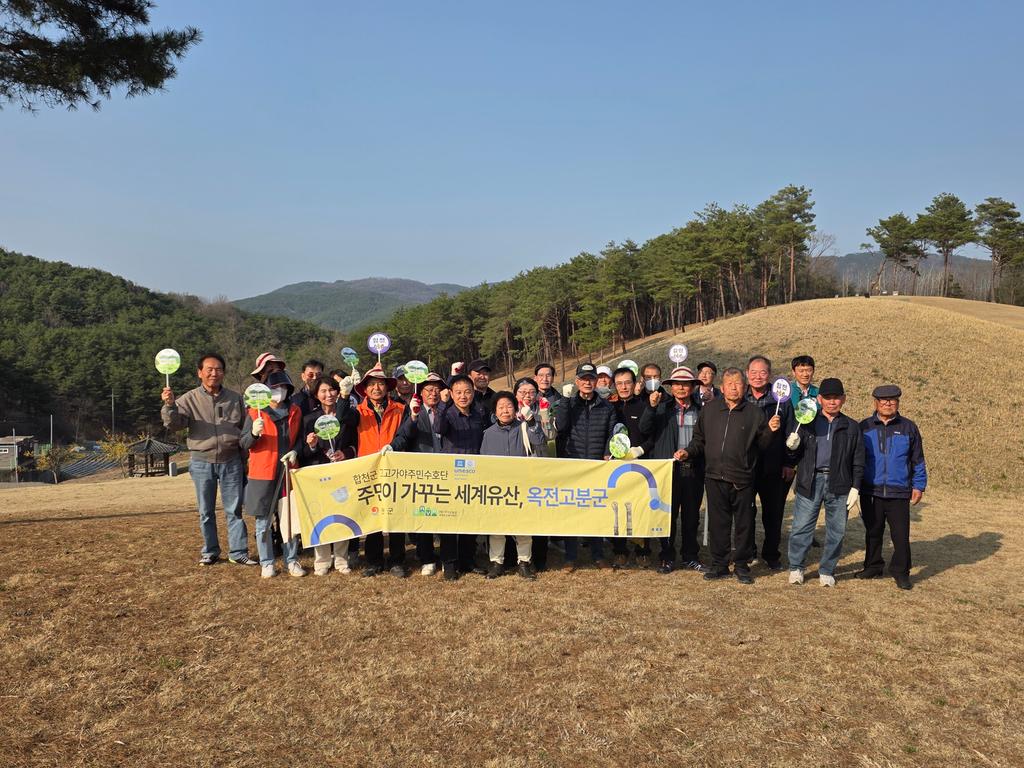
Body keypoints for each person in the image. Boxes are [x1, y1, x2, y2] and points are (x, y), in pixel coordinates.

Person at [679, 367, 780, 585]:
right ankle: (719, 564)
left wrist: (771, 431)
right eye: (729, 384)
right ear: (722, 388)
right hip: (714, 476)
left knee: (744, 524)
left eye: (738, 383)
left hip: (742, 478)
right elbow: (699, 440)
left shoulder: (754, 413)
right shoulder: (710, 410)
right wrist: (688, 452)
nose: (734, 387)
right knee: (718, 524)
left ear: (745, 387)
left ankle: (742, 565)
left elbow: (762, 445)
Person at [161, 352, 255, 567]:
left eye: (218, 369)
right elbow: (174, 424)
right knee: (206, 511)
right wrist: (170, 406)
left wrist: (245, 459)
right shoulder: (189, 398)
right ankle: (211, 551)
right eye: (209, 369)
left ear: (224, 373)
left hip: (231, 460)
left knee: (234, 510)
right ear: (200, 373)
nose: (214, 373)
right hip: (201, 461)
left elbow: (244, 430)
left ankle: (238, 552)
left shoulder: (235, 398)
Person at [785, 378, 864, 587]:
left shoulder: (851, 426)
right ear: (819, 399)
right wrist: (791, 447)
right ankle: (796, 567)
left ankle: (827, 570)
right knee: (801, 527)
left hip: (840, 482)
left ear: (843, 399)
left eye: (836, 398)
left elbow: (858, 459)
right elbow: (794, 456)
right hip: (810, 480)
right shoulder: (807, 421)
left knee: (837, 530)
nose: (832, 402)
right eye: (827, 398)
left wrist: (856, 486)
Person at [338, 362, 410, 577]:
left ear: (387, 387)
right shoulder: (358, 411)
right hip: (368, 468)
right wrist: (344, 396)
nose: (376, 388)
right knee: (373, 514)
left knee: (395, 515)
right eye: (371, 384)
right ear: (365, 389)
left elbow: (405, 434)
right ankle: (374, 561)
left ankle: (397, 560)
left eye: (380, 384)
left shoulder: (400, 408)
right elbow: (342, 417)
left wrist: (394, 446)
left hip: (394, 467)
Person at [858, 384, 927, 590]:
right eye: (883, 400)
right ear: (875, 403)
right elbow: (856, 458)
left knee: (900, 535)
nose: (888, 403)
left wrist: (919, 485)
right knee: (873, 532)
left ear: (897, 402)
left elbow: (917, 459)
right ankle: (873, 566)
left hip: (899, 491)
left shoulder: (908, 427)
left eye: (892, 400)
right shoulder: (864, 427)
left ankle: (901, 572)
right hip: (871, 490)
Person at [552, 363, 619, 570]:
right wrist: (565, 400)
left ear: (596, 381)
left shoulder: (607, 407)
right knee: (571, 511)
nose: (587, 382)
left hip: (597, 466)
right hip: (573, 465)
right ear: (577, 381)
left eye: (591, 379)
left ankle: (598, 555)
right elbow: (561, 426)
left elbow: (612, 434)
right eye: (583, 379)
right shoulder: (568, 403)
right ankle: (570, 557)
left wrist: (608, 452)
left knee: (595, 510)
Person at [239, 370, 305, 578]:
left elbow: (300, 439)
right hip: (263, 473)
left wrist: (296, 451)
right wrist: (253, 433)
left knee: (289, 519)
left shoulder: (295, 411)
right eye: (275, 388)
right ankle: (267, 562)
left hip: (288, 471)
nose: (279, 391)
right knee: (263, 521)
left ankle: (291, 560)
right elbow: (244, 443)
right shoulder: (254, 412)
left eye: (283, 387)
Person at [640, 366, 706, 574]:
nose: (681, 388)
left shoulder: (701, 409)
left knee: (691, 517)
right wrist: (651, 407)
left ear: (693, 387)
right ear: (670, 387)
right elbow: (644, 429)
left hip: (693, 469)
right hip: (667, 471)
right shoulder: (662, 407)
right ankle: (667, 556)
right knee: (667, 516)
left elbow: (706, 439)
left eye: (686, 384)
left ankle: (690, 556)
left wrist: (690, 452)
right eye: (677, 384)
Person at [480, 391, 546, 579]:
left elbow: (540, 441)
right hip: (497, 488)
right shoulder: (488, 434)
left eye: (509, 406)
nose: (505, 410)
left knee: (523, 527)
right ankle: (497, 563)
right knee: (497, 528)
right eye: (500, 407)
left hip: (521, 486)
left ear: (515, 409)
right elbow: (483, 461)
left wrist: (531, 421)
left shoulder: (524, 427)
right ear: (495, 412)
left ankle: (524, 562)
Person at [390, 372, 447, 575]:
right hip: (423, 471)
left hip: (446, 470)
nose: (433, 393)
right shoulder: (413, 410)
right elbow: (404, 435)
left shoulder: (447, 409)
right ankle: (426, 557)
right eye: (429, 390)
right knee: (424, 515)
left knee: (446, 515)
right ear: (421, 392)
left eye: (437, 390)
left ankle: (447, 557)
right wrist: (413, 417)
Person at [433, 374, 490, 580]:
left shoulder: (479, 413)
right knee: (449, 520)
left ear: (473, 393)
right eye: (458, 392)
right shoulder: (447, 413)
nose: (463, 396)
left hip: (474, 473)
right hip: (452, 474)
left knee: (470, 519)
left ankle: (468, 560)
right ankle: (449, 563)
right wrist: (442, 404)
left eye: (467, 392)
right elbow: (438, 429)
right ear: (451, 394)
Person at [300, 376, 354, 576]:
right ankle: (322, 560)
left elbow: (355, 443)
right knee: (320, 515)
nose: (328, 394)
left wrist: (345, 453)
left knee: (342, 514)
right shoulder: (309, 419)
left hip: (341, 473)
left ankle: (341, 559)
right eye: (323, 391)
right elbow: (304, 452)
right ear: (316, 395)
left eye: (332, 390)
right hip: (318, 475)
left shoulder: (347, 415)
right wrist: (312, 445)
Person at [744, 355, 794, 570]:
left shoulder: (781, 401)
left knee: (773, 514)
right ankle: (748, 551)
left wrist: (789, 463)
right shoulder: (741, 398)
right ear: (747, 374)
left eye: (762, 372)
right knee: (746, 512)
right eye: (753, 372)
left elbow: (792, 434)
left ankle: (772, 554)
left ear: (770, 375)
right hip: (746, 466)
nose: (758, 377)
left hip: (774, 466)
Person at [610, 365, 653, 567]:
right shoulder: (610, 408)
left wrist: (640, 450)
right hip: (615, 466)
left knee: (640, 507)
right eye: (619, 384)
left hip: (640, 465)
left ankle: (643, 550)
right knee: (617, 507)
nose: (624, 387)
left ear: (635, 384)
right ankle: (619, 550)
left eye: (627, 382)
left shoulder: (644, 406)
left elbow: (653, 435)